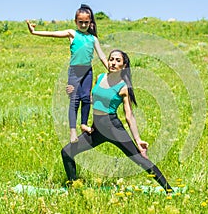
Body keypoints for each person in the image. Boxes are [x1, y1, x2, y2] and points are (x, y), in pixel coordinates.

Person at [61, 49, 173, 193]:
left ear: (124, 66)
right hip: (96, 130)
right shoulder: (100, 78)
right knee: (67, 152)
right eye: (111, 59)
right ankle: (74, 188)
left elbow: (129, 116)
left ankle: (169, 190)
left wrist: (137, 140)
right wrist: (73, 92)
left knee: (140, 160)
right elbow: (91, 99)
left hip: (114, 129)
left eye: (117, 60)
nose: (113, 63)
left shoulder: (123, 87)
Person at [26, 4, 108, 143]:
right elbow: (53, 34)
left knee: (87, 99)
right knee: (74, 99)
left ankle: (83, 124)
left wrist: (110, 69)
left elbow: (102, 56)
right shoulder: (72, 34)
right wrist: (34, 32)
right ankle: (72, 131)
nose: (83, 25)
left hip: (88, 71)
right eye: (80, 22)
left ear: (90, 22)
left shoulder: (93, 39)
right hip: (75, 72)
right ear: (76, 22)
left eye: (86, 22)